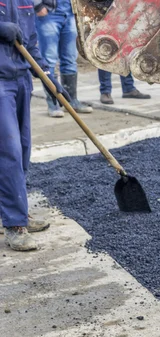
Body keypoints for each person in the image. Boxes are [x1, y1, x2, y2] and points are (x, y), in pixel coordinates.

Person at [0, 0, 69, 250]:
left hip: (21, 80)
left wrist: (48, 77)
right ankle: (14, 225)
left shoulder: (24, 0)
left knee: (23, 149)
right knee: (9, 151)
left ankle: (11, 210)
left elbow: (30, 42)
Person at [34, 0, 92, 117]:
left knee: (70, 59)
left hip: (71, 12)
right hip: (50, 13)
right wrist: (38, 5)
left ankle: (71, 101)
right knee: (49, 60)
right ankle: (53, 104)